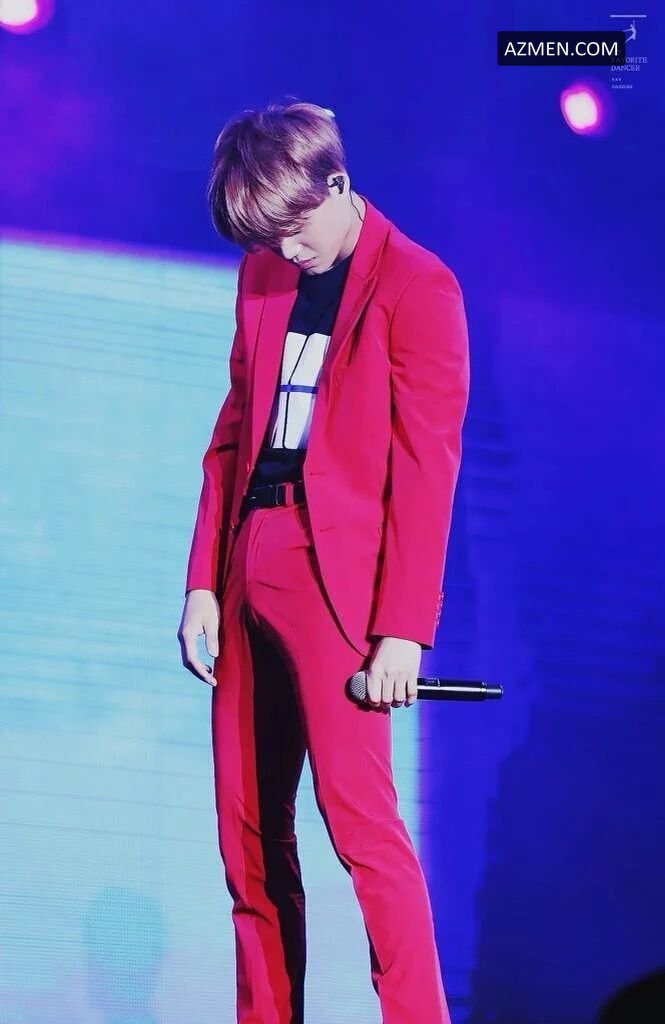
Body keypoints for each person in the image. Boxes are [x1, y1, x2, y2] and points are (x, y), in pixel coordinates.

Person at [177, 100, 469, 1024]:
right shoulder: (263, 272)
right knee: (248, 840)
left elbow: (426, 470)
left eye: (295, 226)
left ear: (337, 183)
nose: (286, 248)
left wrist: (402, 631)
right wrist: (200, 581)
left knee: (362, 832)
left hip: (334, 580)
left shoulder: (417, 286)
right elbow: (234, 430)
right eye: (267, 236)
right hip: (246, 559)